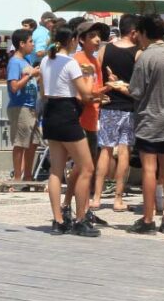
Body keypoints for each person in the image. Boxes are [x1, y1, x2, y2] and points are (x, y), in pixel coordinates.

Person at [124, 14, 164, 235]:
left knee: (149, 169)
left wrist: (121, 86)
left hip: (150, 118)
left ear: (143, 33)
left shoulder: (145, 57)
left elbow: (136, 91)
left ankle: (149, 218)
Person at [39, 25, 98, 237]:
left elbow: (44, 91)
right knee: (86, 167)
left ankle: (58, 219)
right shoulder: (71, 62)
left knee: (56, 170)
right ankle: (81, 218)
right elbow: (86, 94)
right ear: (72, 40)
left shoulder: (46, 60)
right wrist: (90, 76)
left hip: (51, 112)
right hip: (67, 112)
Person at [96, 14, 139, 213]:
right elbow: (139, 86)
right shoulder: (138, 54)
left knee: (105, 150)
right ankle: (118, 198)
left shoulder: (104, 50)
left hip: (107, 106)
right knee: (123, 152)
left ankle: (96, 197)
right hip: (128, 107)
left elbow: (97, 77)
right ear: (133, 32)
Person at [72, 21, 109, 210]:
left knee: (84, 168)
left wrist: (105, 91)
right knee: (85, 168)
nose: (97, 39)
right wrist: (105, 91)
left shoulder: (94, 61)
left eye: (98, 36)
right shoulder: (79, 61)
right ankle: (82, 210)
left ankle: (75, 206)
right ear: (81, 40)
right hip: (81, 119)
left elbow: (95, 89)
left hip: (93, 118)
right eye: (92, 36)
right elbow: (83, 95)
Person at [6, 29, 41, 182]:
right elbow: (14, 86)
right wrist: (30, 75)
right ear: (21, 44)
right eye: (30, 41)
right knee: (20, 143)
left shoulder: (26, 61)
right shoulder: (14, 62)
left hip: (32, 107)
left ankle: (28, 175)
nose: (33, 44)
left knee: (33, 143)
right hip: (20, 107)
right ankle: (18, 177)